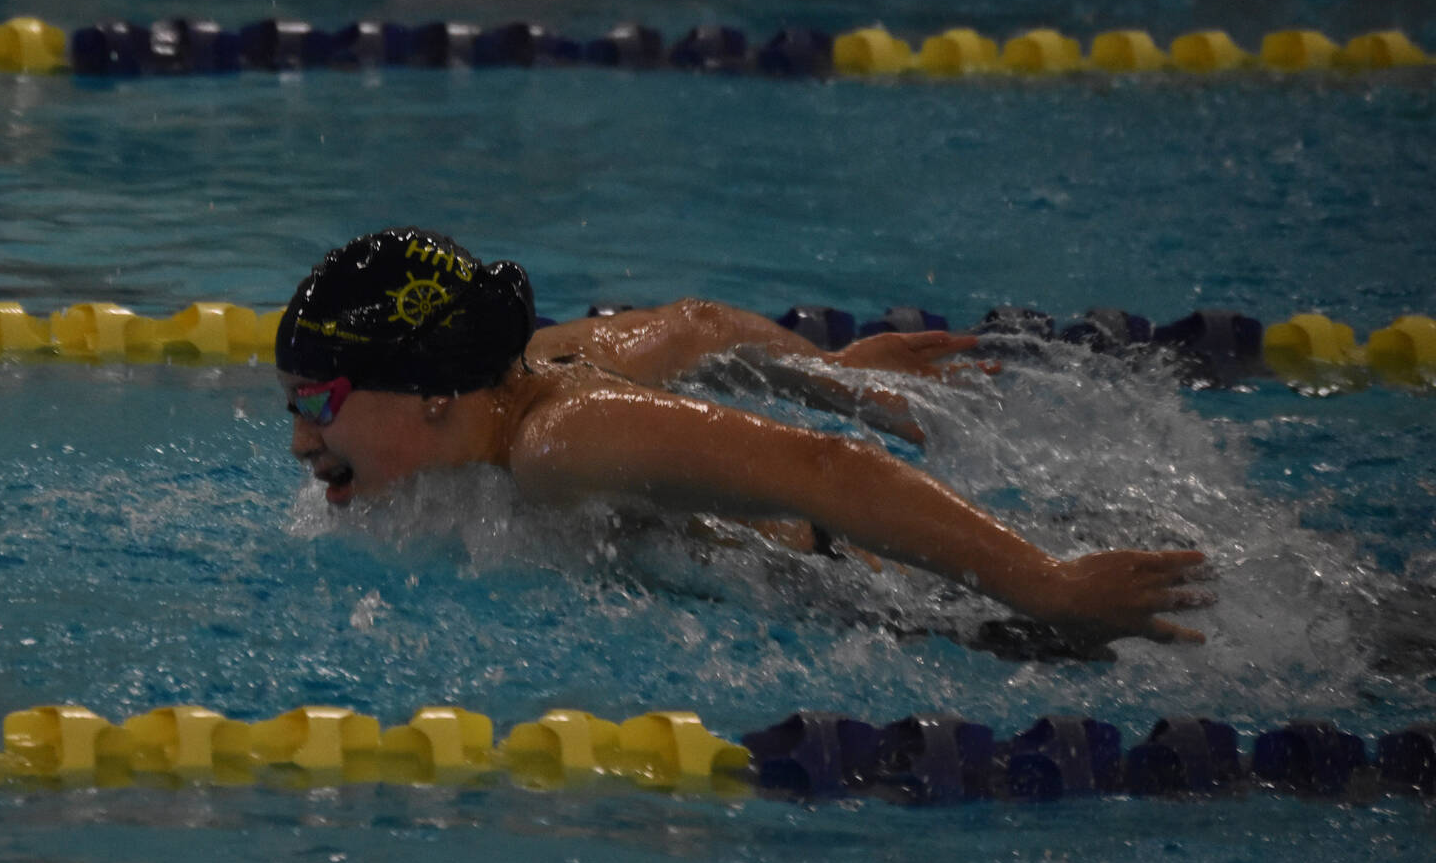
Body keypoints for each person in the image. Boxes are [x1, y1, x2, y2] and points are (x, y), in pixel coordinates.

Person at [275, 227, 1211, 647]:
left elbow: (823, 468)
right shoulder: (532, 366)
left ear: (431, 391)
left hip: (896, 592)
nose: (300, 443)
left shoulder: (559, 443)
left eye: (318, 402)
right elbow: (697, 325)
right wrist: (836, 375)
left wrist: (1048, 586)